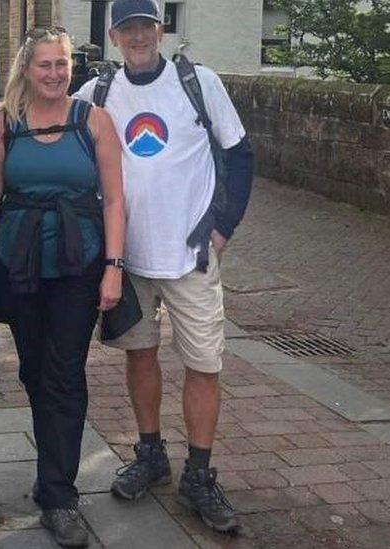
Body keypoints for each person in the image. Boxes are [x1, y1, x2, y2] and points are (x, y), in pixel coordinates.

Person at [73, 0, 254, 535]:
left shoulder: (198, 83)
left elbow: (240, 154)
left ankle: (199, 473)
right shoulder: (101, 92)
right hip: (129, 257)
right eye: (128, 28)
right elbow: (49, 109)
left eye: (147, 26)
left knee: (204, 363)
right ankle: (151, 453)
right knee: (140, 355)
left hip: (191, 255)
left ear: (161, 28)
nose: (138, 36)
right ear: (114, 36)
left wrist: (222, 230)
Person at [0, 26, 125, 548]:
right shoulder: (7, 123)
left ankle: (59, 495)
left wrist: (114, 265)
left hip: (78, 262)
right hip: (20, 259)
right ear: (27, 69)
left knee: (64, 373)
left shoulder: (94, 121)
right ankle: (50, 471)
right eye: (45, 65)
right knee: (36, 371)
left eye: (62, 65)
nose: (56, 74)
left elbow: (114, 200)